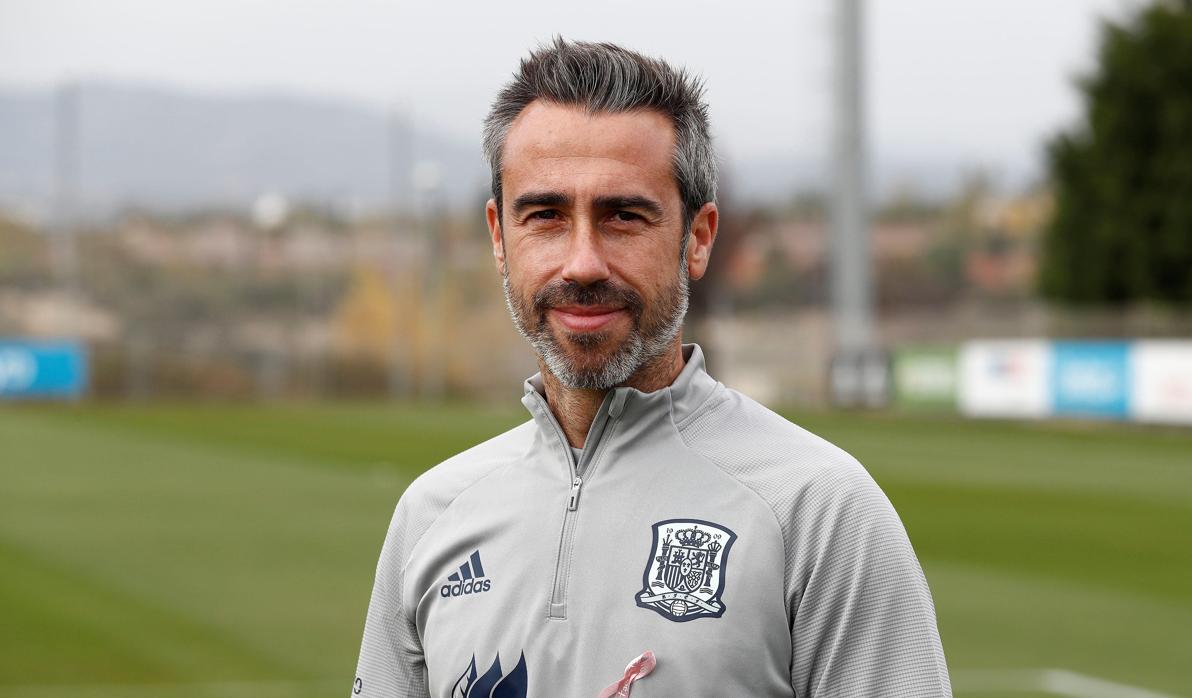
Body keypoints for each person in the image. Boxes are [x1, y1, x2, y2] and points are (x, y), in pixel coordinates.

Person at [352, 37, 950, 698]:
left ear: (697, 238)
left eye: (624, 217)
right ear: (499, 236)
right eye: (545, 216)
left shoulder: (819, 510)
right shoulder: (432, 517)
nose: (582, 262)